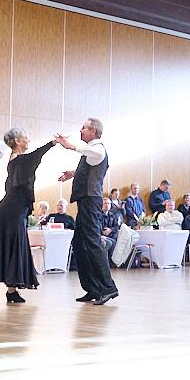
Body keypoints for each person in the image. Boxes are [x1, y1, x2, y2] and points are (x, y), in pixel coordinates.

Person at [0, 127, 54, 304]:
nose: (28, 139)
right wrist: (53, 143)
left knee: (9, 247)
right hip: (13, 210)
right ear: (17, 141)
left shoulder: (17, 160)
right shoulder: (20, 161)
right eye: (25, 137)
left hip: (14, 209)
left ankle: (11, 291)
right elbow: (36, 156)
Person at [55, 118, 119, 305]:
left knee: (91, 242)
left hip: (91, 201)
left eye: (83, 127)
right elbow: (90, 164)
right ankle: (92, 288)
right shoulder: (91, 151)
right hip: (85, 201)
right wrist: (73, 173)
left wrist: (70, 146)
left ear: (93, 131)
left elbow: (96, 154)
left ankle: (108, 288)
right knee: (79, 243)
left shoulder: (98, 147)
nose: (80, 129)